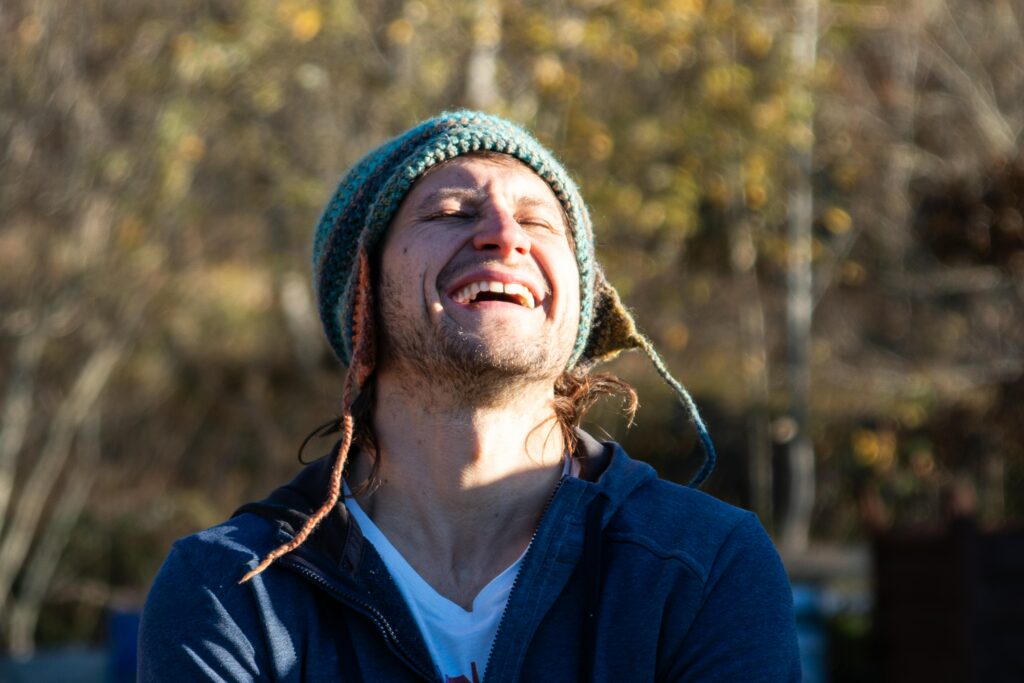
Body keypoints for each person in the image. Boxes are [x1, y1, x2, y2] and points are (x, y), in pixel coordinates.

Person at [139, 111, 800, 682]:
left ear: (579, 302)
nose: (504, 236)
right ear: (361, 296)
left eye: (540, 222)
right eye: (452, 212)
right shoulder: (235, 589)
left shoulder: (699, 566)